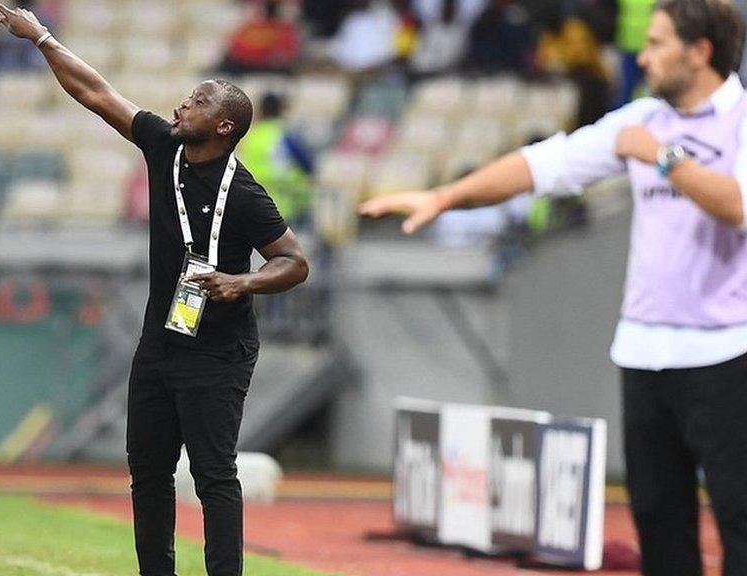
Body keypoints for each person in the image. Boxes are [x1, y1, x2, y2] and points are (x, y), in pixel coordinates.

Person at [360, 1, 747, 574]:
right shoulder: (640, 118)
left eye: (658, 43)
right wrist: (446, 196)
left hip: (725, 350)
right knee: (660, 526)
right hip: (642, 350)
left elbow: (736, 205)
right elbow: (547, 164)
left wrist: (663, 158)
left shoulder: (732, 121)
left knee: (739, 518)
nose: (641, 56)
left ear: (700, 51)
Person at [0, 2, 310, 575]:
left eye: (200, 99)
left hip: (218, 350)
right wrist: (40, 35)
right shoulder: (164, 145)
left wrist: (243, 282)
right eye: (189, 95)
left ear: (224, 126)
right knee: (148, 471)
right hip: (161, 341)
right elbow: (95, 93)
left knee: (214, 474)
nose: (183, 103)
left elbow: (294, 261)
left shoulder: (244, 194)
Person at [238, 92, 314, 227]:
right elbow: (308, 166)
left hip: (253, 205)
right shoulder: (285, 134)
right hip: (286, 205)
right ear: (281, 109)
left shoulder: (251, 136)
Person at [218, 0, 301, 76]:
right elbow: (235, 49)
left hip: (270, 72)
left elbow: (286, 56)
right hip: (243, 69)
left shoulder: (285, 30)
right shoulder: (248, 28)